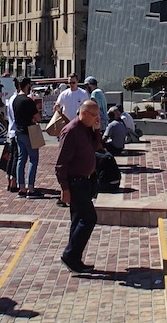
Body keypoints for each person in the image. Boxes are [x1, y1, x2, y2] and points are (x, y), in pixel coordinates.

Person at [55, 100, 102, 273]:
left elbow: (96, 146)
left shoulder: (86, 129)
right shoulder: (71, 131)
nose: (97, 118)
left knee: (78, 220)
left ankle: (74, 259)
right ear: (83, 114)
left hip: (86, 180)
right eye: (94, 115)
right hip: (75, 182)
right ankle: (70, 255)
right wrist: (64, 188)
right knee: (89, 218)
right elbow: (61, 164)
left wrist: (97, 129)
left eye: (98, 115)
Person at [13, 78, 41, 196]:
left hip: (18, 131)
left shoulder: (15, 100)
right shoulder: (28, 101)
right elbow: (38, 118)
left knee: (21, 159)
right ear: (27, 86)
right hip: (29, 131)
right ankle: (31, 187)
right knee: (33, 159)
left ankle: (21, 187)